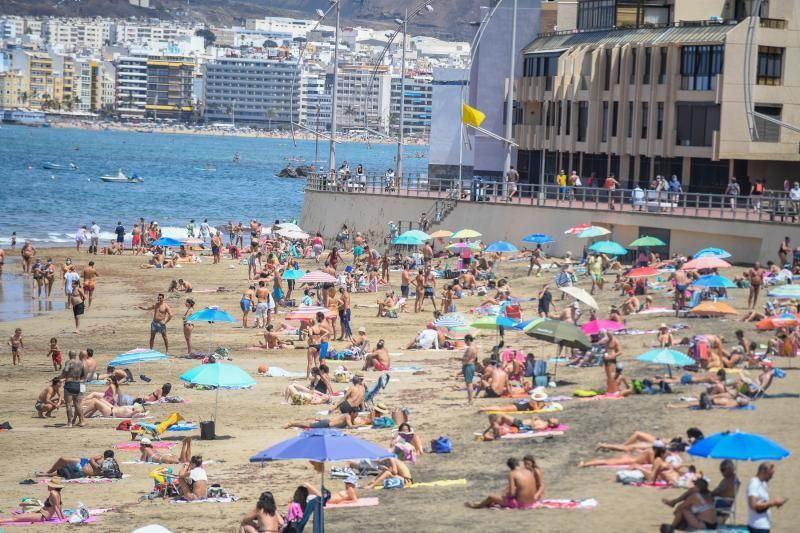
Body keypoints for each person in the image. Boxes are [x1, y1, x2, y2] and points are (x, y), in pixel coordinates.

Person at [466, 457, 538, 509]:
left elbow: (512, 493)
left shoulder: (512, 473)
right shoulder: (528, 471)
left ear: (510, 467)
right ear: (518, 464)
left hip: (521, 504)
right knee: (499, 498)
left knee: (491, 497)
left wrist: (506, 496)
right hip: (532, 501)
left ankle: (476, 506)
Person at [0, 477, 65, 524]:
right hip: (42, 514)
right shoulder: (57, 493)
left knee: (15, 518)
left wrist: (61, 520)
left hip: (43, 516)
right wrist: (63, 518)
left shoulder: (53, 493)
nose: (48, 485)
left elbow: (56, 507)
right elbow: (58, 506)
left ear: (53, 486)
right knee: (17, 517)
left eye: (49, 484)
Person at [747, 462, 786, 533]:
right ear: (763, 471)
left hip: (763, 526)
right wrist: (773, 502)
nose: (771, 477)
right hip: (757, 527)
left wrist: (774, 504)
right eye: (770, 474)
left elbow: (763, 503)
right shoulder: (754, 483)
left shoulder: (763, 483)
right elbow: (753, 505)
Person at [60, 350, 85, 428]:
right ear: (76, 355)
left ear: (69, 355)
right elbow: (83, 374)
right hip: (77, 384)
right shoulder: (81, 363)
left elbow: (66, 371)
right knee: (77, 403)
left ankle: (69, 423)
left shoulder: (69, 362)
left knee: (68, 404)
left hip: (69, 384)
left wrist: (60, 377)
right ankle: (81, 421)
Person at [463, 334, 478, 405]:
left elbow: (467, 358)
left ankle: (470, 400)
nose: (465, 342)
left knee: (469, 384)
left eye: (465, 340)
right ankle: (470, 400)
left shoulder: (470, 348)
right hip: (471, 365)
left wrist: (458, 359)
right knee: (469, 383)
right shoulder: (475, 347)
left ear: (468, 340)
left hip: (469, 365)